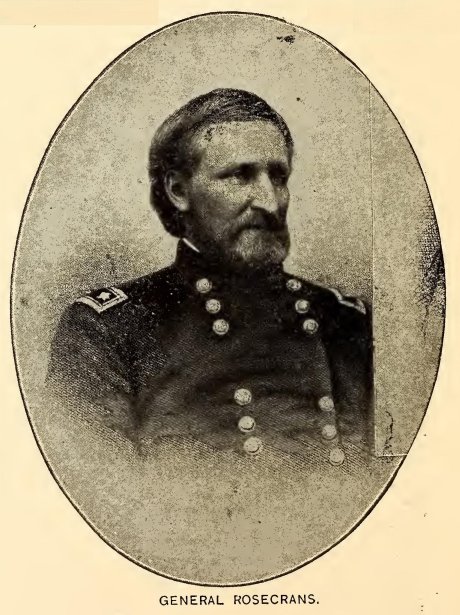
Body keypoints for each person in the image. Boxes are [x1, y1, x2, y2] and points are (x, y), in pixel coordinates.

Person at [46, 88, 372, 466]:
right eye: (240, 176)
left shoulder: (345, 320)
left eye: (278, 176)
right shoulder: (109, 329)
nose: (270, 202)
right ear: (178, 191)